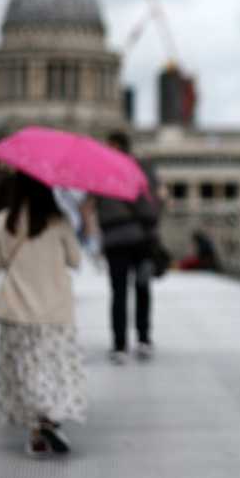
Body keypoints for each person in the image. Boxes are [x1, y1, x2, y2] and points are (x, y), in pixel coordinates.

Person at [0, 172, 88, 458]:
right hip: (54, 310)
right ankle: (48, 423)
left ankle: (37, 433)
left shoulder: (2, 222)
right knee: (53, 370)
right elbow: (76, 261)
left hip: (17, 310)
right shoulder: (59, 222)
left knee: (25, 372)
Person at [96, 131, 160, 364]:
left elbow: (97, 207)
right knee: (135, 290)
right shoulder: (143, 168)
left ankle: (122, 344)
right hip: (138, 238)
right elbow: (155, 200)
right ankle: (139, 340)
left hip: (123, 239)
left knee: (125, 291)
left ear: (117, 146)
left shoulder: (101, 173)